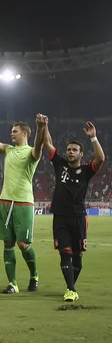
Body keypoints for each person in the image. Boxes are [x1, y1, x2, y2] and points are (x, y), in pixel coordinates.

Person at [0, 106, 46, 293]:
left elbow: (40, 146)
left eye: (14, 131)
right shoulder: (8, 150)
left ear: (24, 133)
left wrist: (40, 128)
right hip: (5, 201)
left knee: (23, 244)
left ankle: (34, 275)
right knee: (8, 243)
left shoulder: (32, 152)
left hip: (23, 202)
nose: (11, 134)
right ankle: (13, 283)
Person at [43, 119, 105, 302]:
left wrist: (93, 138)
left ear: (81, 154)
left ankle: (71, 285)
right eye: (69, 149)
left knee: (77, 257)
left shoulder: (86, 171)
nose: (70, 152)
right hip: (60, 218)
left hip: (79, 217)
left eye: (74, 150)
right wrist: (44, 126)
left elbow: (100, 159)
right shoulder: (60, 164)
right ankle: (70, 289)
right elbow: (48, 144)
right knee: (65, 253)